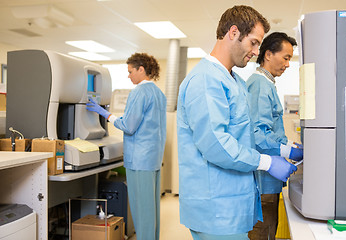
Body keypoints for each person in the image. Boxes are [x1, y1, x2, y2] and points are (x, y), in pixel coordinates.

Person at [177, 6, 297, 240]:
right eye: (253, 43)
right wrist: (266, 162)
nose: (255, 52)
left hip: (233, 204)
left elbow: (247, 136)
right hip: (216, 208)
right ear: (233, 32)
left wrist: (279, 151)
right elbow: (216, 145)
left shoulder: (235, 81)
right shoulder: (205, 79)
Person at [86, 53, 167, 240]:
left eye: (130, 71)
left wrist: (105, 114)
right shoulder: (158, 93)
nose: (128, 76)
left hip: (139, 160)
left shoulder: (139, 92)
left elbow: (129, 126)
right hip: (153, 159)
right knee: (151, 210)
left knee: (141, 210)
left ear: (141, 69)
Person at [246, 32, 303, 240]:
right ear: (268, 54)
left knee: (270, 230)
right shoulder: (259, 84)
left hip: (269, 181)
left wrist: (289, 144)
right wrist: (288, 151)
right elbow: (258, 134)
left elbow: (271, 129)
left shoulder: (267, 84)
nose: (288, 64)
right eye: (286, 58)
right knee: (262, 232)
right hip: (263, 181)